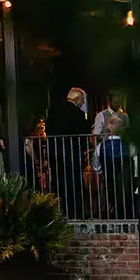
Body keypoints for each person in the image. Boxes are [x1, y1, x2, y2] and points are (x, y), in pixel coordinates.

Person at [47, 86, 91, 216]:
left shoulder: (53, 111)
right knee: (74, 184)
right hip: (71, 153)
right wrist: (85, 149)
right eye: (82, 101)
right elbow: (83, 135)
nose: (83, 104)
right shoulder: (78, 114)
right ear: (77, 99)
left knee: (58, 182)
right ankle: (75, 212)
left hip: (54, 153)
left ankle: (59, 211)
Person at [95, 113, 131, 217]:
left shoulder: (101, 146)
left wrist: (100, 172)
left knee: (110, 197)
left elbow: (96, 165)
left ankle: (112, 216)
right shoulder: (128, 145)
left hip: (108, 177)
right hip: (125, 179)